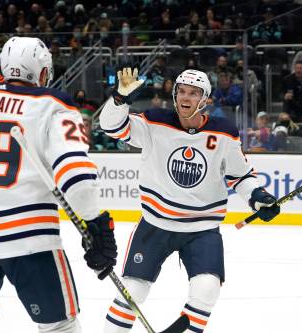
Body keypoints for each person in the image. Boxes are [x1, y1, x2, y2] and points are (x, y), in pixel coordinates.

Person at [0, 37, 117, 333]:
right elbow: (78, 181)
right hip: (28, 237)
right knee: (59, 326)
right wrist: (96, 222)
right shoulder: (56, 105)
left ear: (2, 70)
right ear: (44, 73)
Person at [99, 68, 280, 332]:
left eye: (193, 93)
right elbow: (111, 127)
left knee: (207, 288)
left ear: (204, 99)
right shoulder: (154, 122)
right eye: (181, 91)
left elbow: (240, 176)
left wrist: (258, 197)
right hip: (155, 224)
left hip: (201, 230)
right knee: (132, 291)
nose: (186, 97)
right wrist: (119, 99)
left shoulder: (224, 133)